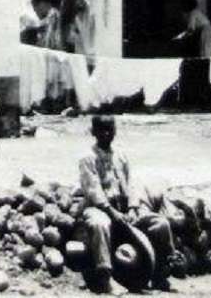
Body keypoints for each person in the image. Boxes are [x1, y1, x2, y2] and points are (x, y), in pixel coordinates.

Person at [79, 115, 179, 293]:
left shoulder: (121, 155)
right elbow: (93, 189)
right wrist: (111, 212)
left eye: (110, 129)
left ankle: (160, 274)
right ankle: (105, 278)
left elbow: (131, 183)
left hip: (124, 209)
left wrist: (133, 207)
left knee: (160, 224)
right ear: (93, 131)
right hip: (99, 208)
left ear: (115, 130)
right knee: (99, 224)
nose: (107, 133)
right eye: (102, 129)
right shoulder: (88, 157)